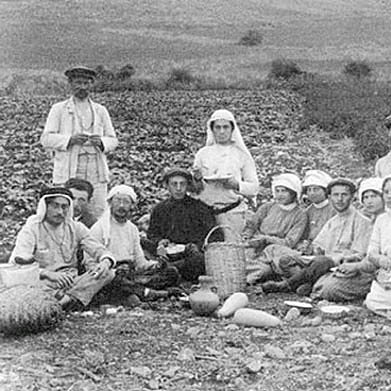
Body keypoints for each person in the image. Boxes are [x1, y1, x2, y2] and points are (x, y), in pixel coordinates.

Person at [261, 178, 373, 296]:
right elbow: (318, 246)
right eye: (336, 195)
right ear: (329, 197)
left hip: (343, 266)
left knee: (325, 272)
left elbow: (359, 255)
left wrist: (335, 259)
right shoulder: (332, 221)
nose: (339, 199)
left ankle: (288, 285)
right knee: (286, 259)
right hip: (320, 264)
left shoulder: (362, 222)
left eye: (344, 195)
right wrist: (310, 248)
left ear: (352, 197)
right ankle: (308, 283)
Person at [9, 187, 115, 309]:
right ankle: (68, 300)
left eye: (64, 207)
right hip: (43, 280)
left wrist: (105, 261)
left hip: (72, 281)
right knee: (28, 288)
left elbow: (98, 249)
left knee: (108, 273)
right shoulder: (32, 228)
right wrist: (48, 274)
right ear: (45, 206)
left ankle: (63, 301)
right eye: (55, 206)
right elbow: (20, 264)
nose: (60, 212)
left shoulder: (76, 227)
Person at [41, 66, 118, 218]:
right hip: (70, 167)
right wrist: (70, 139)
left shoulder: (100, 110)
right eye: (78, 83)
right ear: (70, 84)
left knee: (97, 211)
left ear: (91, 84)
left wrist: (101, 142)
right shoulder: (59, 109)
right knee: (67, 210)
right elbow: (46, 139)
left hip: (96, 167)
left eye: (86, 83)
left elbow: (113, 140)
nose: (82, 87)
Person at [88, 185, 179, 304]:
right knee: (115, 280)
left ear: (131, 206)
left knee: (171, 272)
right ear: (110, 203)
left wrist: (155, 265)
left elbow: (140, 262)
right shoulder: (99, 228)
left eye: (126, 202)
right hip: (110, 274)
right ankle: (146, 292)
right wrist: (107, 270)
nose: (121, 206)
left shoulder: (132, 229)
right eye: (118, 201)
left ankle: (136, 291)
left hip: (131, 274)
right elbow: (89, 263)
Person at [312, 177, 386, 302]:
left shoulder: (369, 222)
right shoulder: (376, 220)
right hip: (356, 267)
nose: (369, 201)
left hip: (375, 272)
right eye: (366, 197)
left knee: (329, 287)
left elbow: (367, 256)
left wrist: (355, 265)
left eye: (374, 196)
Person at [193, 109, 259, 242]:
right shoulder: (203, 153)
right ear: (212, 129)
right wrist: (197, 179)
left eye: (225, 127)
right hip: (205, 214)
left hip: (232, 213)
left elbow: (254, 187)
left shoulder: (241, 154)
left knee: (231, 253)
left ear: (232, 129)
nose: (222, 131)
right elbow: (196, 189)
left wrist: (236, 185)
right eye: (218, 127)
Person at [147, 167, 222, 282]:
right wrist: (160, 242)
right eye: (174, 184)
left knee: (199, 260)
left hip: (190, 256)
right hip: (167, 253)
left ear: (187, 186)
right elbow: (152, 234)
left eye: (182, 184)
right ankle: (166, 269)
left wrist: (197, 246)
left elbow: (216, 235)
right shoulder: (160, 208)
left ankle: (167, 271)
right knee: (142, 244)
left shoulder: (199, 207)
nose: (178, 188)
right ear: (167, 186)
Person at [242, 173, 308, 284]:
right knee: (242, 259)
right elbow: (252, 225)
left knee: (265, 269)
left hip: (277, 250)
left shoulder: (300, 215)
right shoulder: (267, 207)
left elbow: (289, 242)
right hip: (256, 248)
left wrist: (266, 239)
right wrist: (247, 237)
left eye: (284, 191)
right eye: (277, 191)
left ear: (293, 193)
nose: (280, 195)